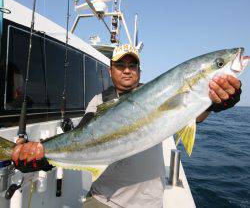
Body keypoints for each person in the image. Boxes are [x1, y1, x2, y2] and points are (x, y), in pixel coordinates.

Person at [12, 44, 242, 208]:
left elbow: (193, 114)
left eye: (133, 65)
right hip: (103, 199)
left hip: (148, 202)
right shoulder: (99, 102)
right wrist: (43, 155)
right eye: (120, 64)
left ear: (140, 71)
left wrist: (214, 104)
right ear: (110, 70)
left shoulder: (160, 93)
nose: (127, 69)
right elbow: (80, 137)